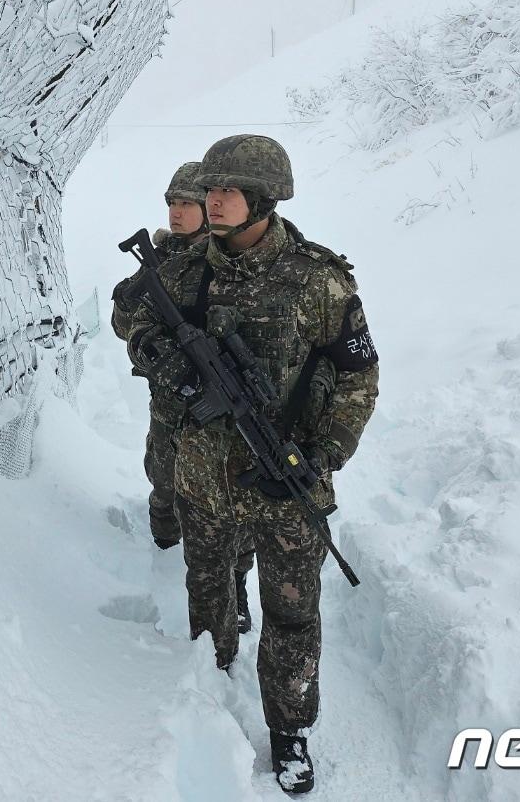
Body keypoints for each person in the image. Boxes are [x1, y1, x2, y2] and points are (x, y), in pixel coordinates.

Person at [124, 134, 379, 794]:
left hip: (286, 481)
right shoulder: (184, 270)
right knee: (208, 591)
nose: (212, 201)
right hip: (205, 478)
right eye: (208, 190)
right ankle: (208, 694)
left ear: (264, 198)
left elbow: (358, 378)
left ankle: (289, 734)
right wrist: (161, 356)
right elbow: (130, 316)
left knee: (292, 615)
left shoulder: (318, 280)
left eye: (227, 191)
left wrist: (323, 455)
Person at [111, 162, 207, 550]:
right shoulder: (159, 257)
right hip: (169, 394)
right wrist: (131, 297)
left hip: (211, 398)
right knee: (164, 475)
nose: (176, 212)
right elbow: (123, 327)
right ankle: (163, 549)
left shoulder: (224, 260)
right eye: (172, 202)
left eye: (187, 203)